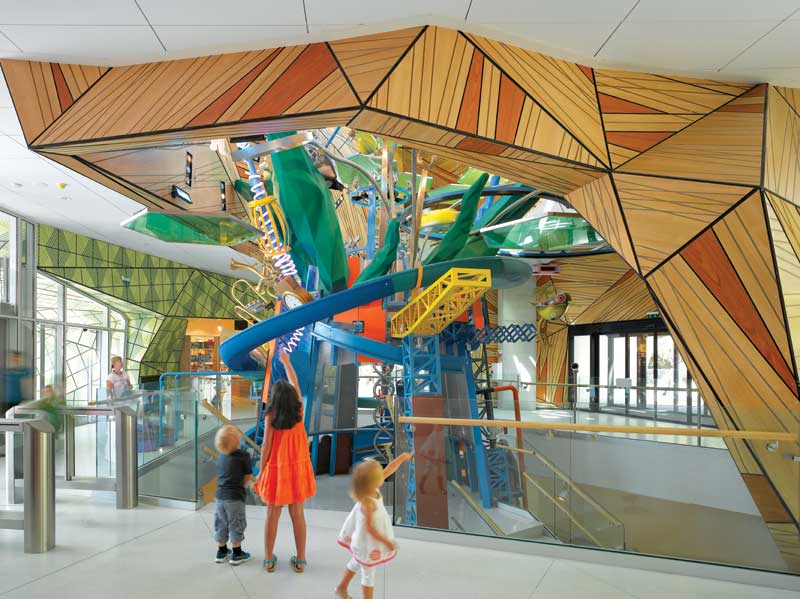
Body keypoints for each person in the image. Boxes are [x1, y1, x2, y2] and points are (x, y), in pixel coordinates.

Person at [254, 350, 316, 573]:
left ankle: (269, 559)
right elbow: (295, 381)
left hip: (277, 471)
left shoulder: (271, 416)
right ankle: (300, 560)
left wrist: (262, 472)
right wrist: (287, 362)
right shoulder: (298, 408)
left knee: (272, 513)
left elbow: (266, 447)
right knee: (297, 514)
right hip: (298, 468)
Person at [335, 453, 412, 599]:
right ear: (374, 482)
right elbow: (371, 529)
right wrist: (386, 541)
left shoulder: (370, 488)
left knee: (356, 562)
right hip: (367, 543)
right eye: (379, 475)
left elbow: (390, 468)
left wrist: (402, 458)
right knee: (368, 574)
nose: (383, 475)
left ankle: (341, 587)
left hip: (365, 541)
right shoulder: (368, 503)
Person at [213, 425, 252, 565]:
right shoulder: (244, 456)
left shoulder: (222, 457)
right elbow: (247, 476)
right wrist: (243, 486)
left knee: (221, 523)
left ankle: (221, 551)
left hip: (219, 497)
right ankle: (237, 553)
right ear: (237, 441)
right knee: (236, 523)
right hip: (235, 497)